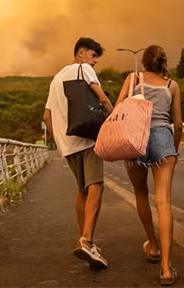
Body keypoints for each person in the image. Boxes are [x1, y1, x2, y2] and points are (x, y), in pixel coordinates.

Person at [43, 37, 114, 269]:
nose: (94, 63)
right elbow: (101, 97)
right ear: (81, 53)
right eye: (93, 56)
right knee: (97, 185)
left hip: (67, 143)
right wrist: (116, 120)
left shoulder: (56, 79)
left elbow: (47, 117)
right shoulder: (83, 69)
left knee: (82, 189)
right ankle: (87, 239)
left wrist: (60, 143)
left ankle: (85, 240)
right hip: (87, 137)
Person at [115, 45, 182, 285]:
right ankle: (166, 268)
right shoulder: (171, 85)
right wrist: (173, 148)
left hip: (137, 138)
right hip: (164, 138)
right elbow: (179, 123)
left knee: (141, 193)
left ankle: (152, 245)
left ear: (143, 63)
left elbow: (118, 109)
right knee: (163, 201)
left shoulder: (133, 79)